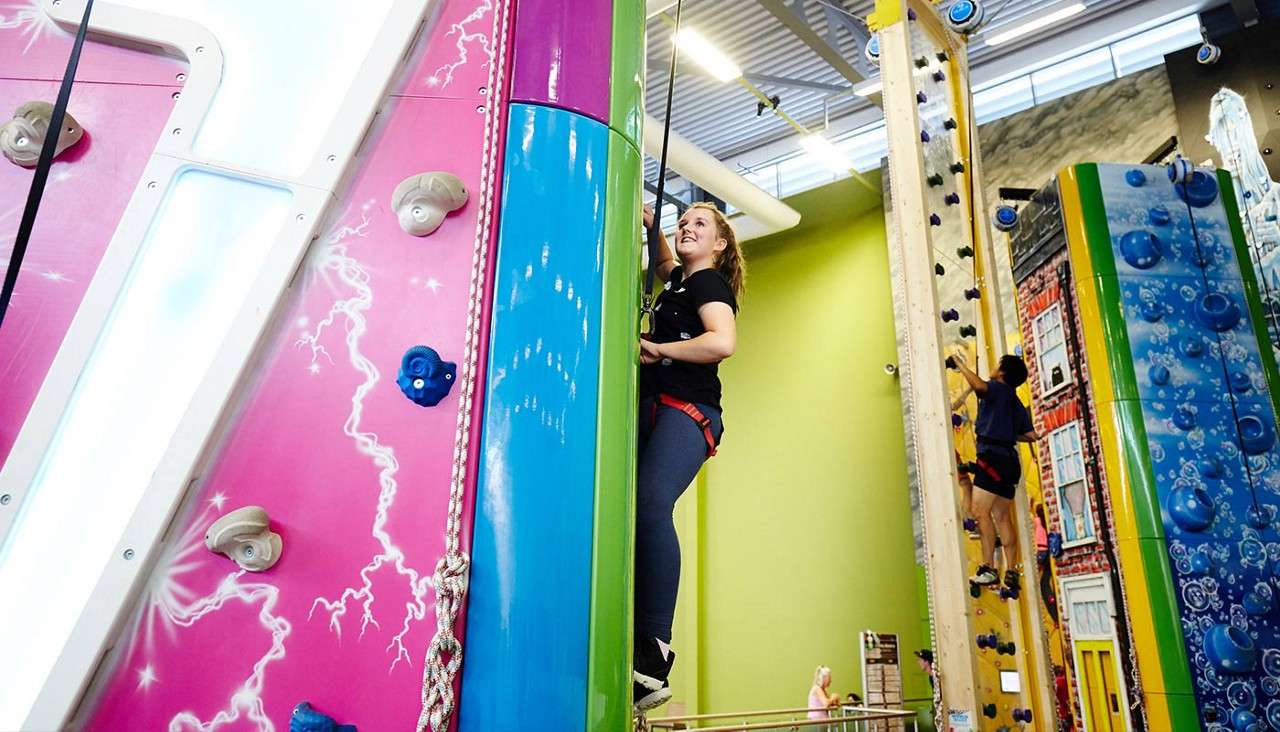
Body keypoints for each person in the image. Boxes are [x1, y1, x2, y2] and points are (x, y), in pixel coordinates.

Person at [633, 203, 745, 712]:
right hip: (661, 405)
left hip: (689, 409)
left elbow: (723, 342)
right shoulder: (679, 279)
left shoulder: (708, 284)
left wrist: (660, 350)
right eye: (685, 223)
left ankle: (654, 655)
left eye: (700, 224)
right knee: (635, 510)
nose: (688, 228)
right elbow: (662, 266)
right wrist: (656, 226)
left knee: (652, 505)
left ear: (719, 245)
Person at [946, 353, 1037, 588]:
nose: (994, 367)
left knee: (979, 511)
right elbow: (1030, 435)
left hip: (992, 458)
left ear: (1002, 372)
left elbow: (979, 386)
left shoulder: (997, 388)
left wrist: (960, 365)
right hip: (1009, 462)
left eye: (997, 364)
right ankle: (1011, 572)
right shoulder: (1015, 401)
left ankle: (988, 568)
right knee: (1002, 516)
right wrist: (1006, 432)